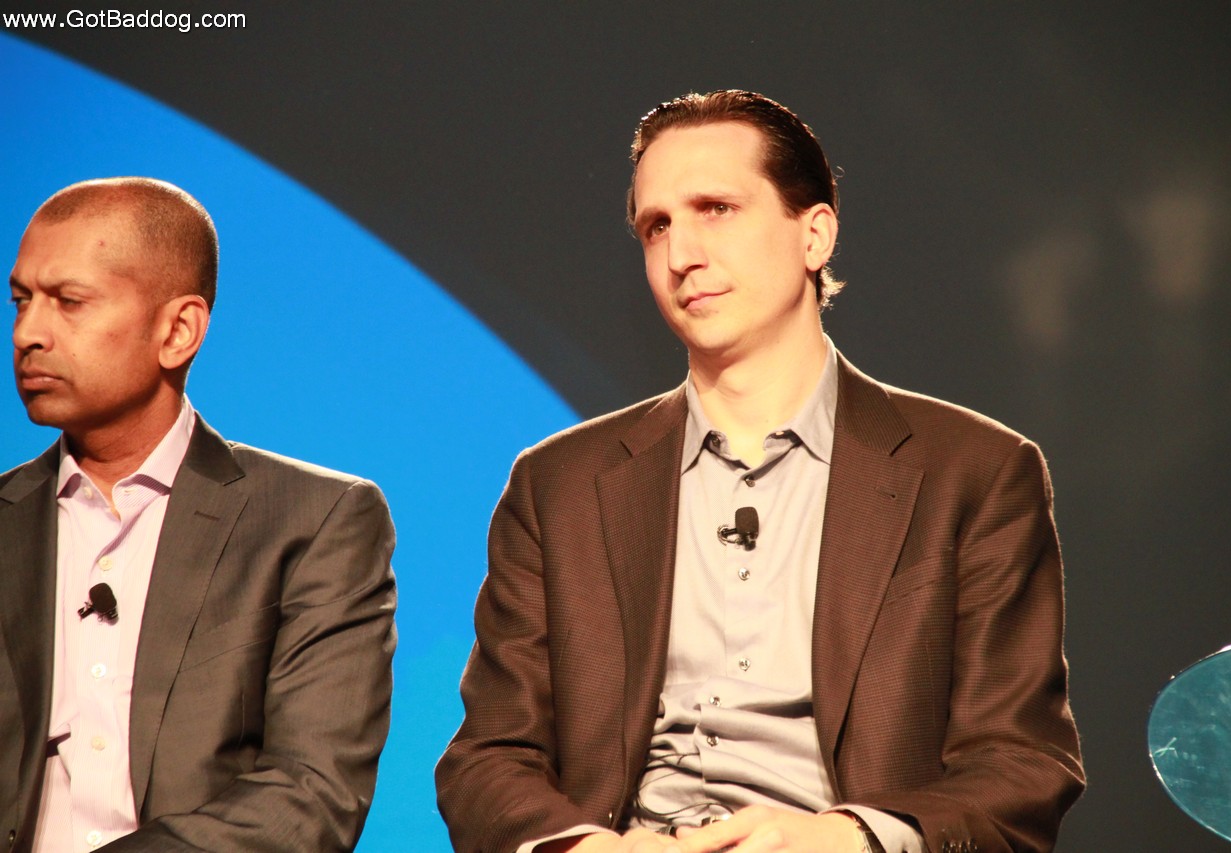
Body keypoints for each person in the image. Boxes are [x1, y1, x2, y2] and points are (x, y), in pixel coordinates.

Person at [436, 90, 1084, 853]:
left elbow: (1020, 764)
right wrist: (588, 848)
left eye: (716, 209)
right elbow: (488, 757)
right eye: (656, 226)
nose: (681, 255)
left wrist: (851, 837)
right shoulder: (558, 486)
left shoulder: (975, 473)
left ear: (815, 235)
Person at [0, 177, 397, 851]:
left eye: (69, 302)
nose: (28, 333)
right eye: (20, 301)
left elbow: (313, 794)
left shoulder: (315, 522)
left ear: (178, 330)